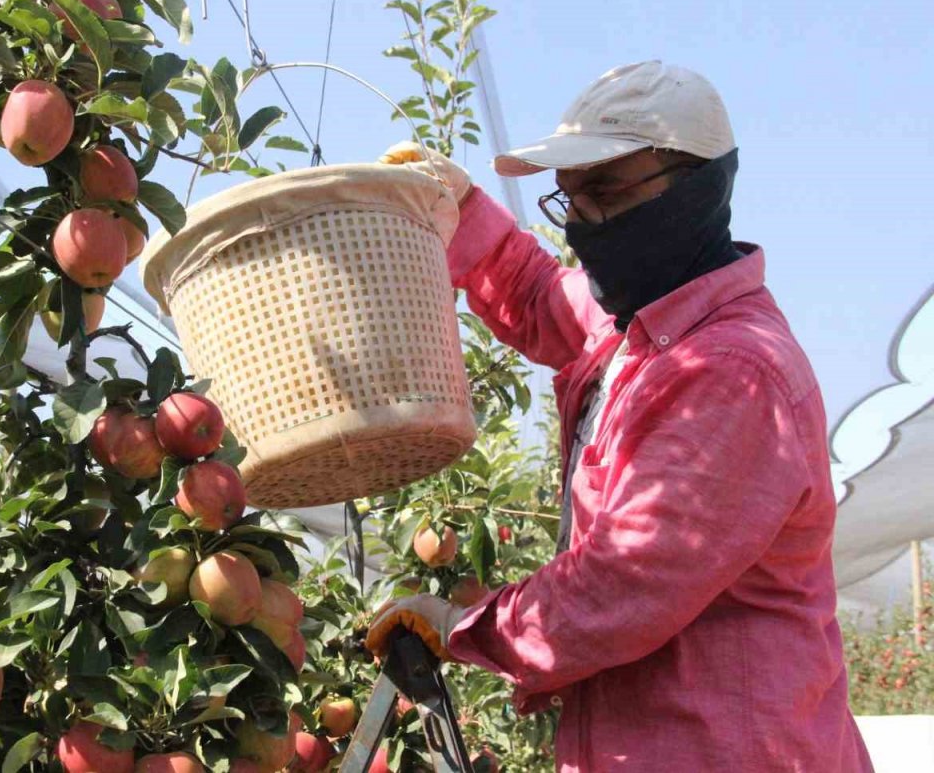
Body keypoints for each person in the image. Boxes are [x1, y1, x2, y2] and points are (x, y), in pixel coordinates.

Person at [369, 61, 874, 772]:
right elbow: (540, 292)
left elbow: (623, 583)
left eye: (604, 192)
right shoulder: (635, 326)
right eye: (569, 200)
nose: (581, 227)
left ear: (698, 188)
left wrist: (472, 627)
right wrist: (459, 206)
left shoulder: (730, 373)